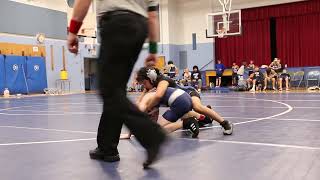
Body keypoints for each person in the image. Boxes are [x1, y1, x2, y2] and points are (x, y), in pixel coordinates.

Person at [67, 0, 166, 168]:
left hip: (117, 24)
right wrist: (153, 49)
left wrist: (73, 31)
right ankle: (107, 148)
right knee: (115, 90)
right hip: (139, 28)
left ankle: (152, 135)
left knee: (109, 90)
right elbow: (153, 15)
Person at [136, 67, 233, 135]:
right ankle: (207, 117)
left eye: (144, 83)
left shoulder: (162, 81)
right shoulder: (150, 85)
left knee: (197, 107)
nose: (144, 86)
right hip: (179, 102)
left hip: (188, 92)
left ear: (151, 78)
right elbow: (140, 100)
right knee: (185, 115)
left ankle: (225, 123)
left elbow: (158, 95)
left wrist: (147, 108)